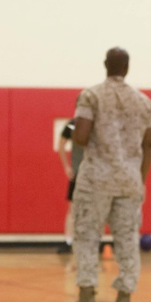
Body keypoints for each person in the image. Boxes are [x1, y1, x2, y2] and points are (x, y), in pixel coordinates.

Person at [56, 47, 151, 302]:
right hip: (129, 180)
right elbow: (149, 145)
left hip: (97, 179)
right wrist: (140, 179)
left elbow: (81, 137)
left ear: (105, 65)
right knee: (127, 240)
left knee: (87, 236)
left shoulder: (91, 95)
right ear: (127, 68)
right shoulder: (145, 102)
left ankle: (87, 299)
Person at [55, 105, 86, 254]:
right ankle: (68, 241)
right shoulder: (72, 125)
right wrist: (66, 166)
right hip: (77, 173)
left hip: (94, 175)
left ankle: (92, 241)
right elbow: (61, 144)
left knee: (95, 209)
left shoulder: (97, 124)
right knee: (73, 208)